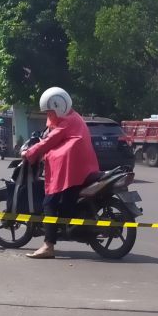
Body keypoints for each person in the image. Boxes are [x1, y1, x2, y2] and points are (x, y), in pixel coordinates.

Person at [23, 87, 101, 260]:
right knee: (66, 204)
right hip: (84, 168)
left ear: (59, 106)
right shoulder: (74, 117)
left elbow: (50, 141)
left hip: (72, 171)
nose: (48, 116)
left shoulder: (66, 122)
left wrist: (29, 153)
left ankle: (48, 245)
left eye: (50, 111)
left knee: (49, 202)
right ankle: (69, 229)